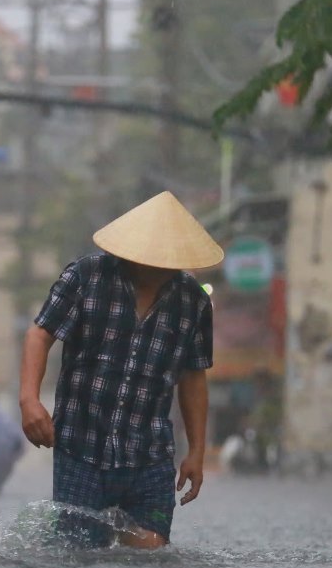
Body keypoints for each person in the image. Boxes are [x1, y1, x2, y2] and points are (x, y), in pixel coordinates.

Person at [19, 190, 221, 549]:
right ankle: (102, 533)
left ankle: (115, 531)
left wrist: (197, 451)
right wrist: (29, 400)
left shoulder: (193, 301)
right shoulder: (86, 276)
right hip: (82, 448)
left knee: (152, 549)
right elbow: (40, 333)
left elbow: (193, 375)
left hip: (150, 453)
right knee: (77, 552)